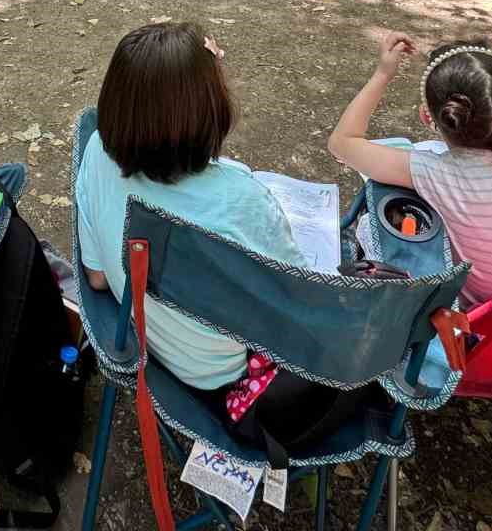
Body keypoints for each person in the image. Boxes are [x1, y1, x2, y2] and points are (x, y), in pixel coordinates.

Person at [77, 23, 376, 450]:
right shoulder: (241, 199)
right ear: (208, 110)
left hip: (152, 351)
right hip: (228, 383)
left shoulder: (98, 150)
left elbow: (98, 278)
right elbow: (295, 309)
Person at [327, 37, 492, 306]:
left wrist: (383, 74)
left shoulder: (436, 173)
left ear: (429, 117)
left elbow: (342, 143)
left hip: (491, 324)